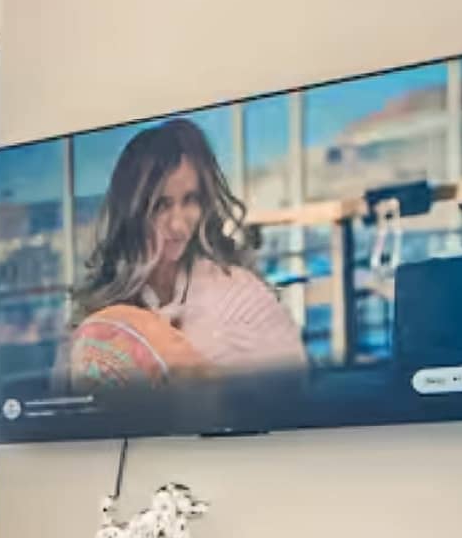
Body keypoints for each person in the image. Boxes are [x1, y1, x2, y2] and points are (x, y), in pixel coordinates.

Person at [62, 118, 302, 386]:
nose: (178, 224)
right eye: (161, 205)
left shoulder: (241, 296)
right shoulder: (98, 309)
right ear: (132, 211)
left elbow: (291, 397)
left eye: (190, 200)